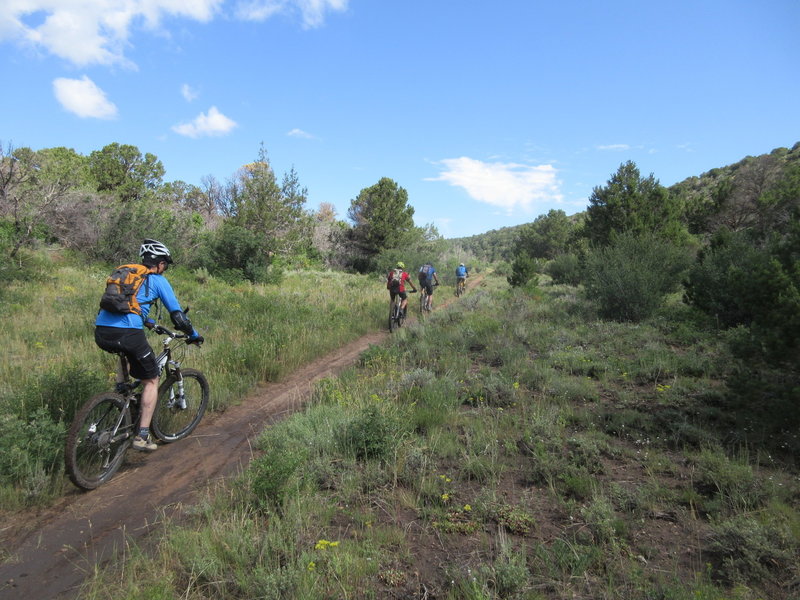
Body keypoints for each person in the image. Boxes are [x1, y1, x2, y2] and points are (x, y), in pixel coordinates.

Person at [95, 239, 203, 452]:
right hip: (129, 333)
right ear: (160, 263)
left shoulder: (128, 274)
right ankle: (142, 436)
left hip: (101, 330)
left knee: (124, 353)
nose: (165, 269)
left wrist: (148, 322)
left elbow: (126, 304)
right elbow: (178, 318)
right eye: (166, 265)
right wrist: (193, 334)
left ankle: (121, 396)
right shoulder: (157, 280)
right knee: (152, 379)